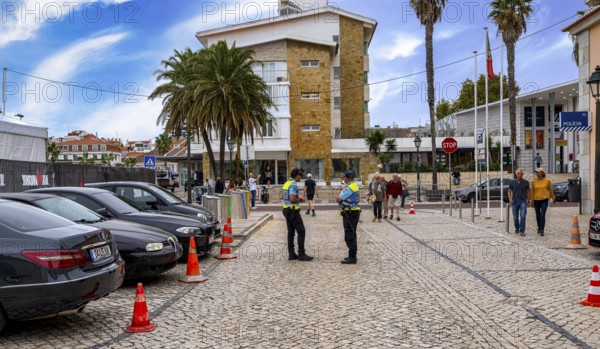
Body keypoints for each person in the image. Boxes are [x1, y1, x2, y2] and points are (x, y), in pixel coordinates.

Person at [282, 168, 313, 261]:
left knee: (291, 233)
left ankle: (291, 254)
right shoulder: (293, 184)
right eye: (300, 175)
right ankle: (301, 254)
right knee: (301, 231)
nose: (301, 177)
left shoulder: (286, 183)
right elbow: (292, 198)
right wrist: (300, 200)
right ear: (297, 175)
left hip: (286, 209)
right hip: (293, 211)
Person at [336, 170, 361, 264]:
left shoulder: (349, 187)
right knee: (352, 234)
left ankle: (352, 257)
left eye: (344, 177)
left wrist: (339, 195)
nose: (343, 178)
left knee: (349, 235)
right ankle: (352, 255)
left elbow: (338, 199)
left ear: (349, 178)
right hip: (353, 212)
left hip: (350, 214)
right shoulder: (354, 185)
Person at [531, 167, 556, 236]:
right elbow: (532, 192)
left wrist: (553, 198)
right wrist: (531, 200)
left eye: (538, 172)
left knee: (542, 215)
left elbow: (550, 190)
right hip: (536, 200)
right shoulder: (533, 182)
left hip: (544, 200)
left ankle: (542, 230)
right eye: (536, 172)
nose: (537, 174)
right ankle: (539, 227)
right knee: (538, 215)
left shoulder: (547, 181)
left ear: (542, 173)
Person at [508, 168, 531, 236]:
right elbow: (509, 191)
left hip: (523, 201)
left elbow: (528, 191)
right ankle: (517, 228)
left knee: (523, 216)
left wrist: (528, 199)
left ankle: (522, 230)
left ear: (522, 174)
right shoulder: (512, 182)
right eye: (518, 174)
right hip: (514, 202)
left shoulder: (526, 182)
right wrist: (510, 198)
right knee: (515, 217)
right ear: (516, 174)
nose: (519, 175)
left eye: (521, 174)